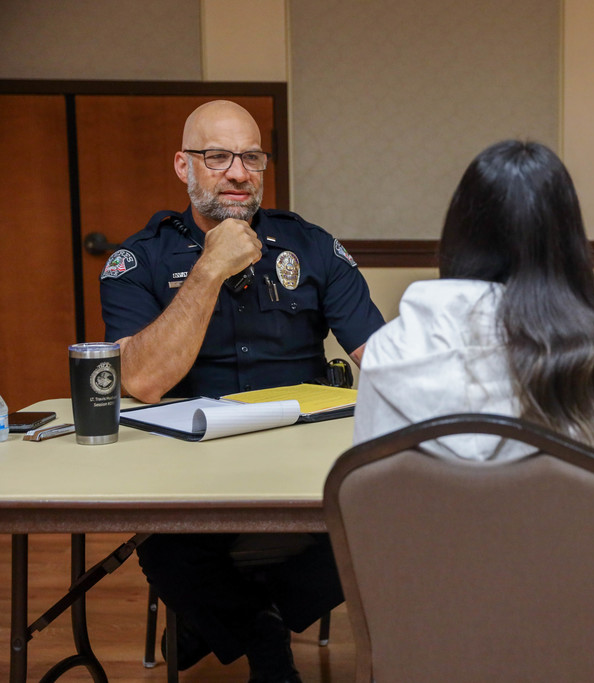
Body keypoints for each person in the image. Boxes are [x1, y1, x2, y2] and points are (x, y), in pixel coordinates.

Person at [353, 139, 594, 683]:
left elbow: (377, 532)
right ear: (568, 241)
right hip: (561, 649)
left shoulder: (388, 353)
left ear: (459, 231)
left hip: (427, 645)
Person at [100, 100, 385, 683]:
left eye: (251, 157)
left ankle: (223, 622)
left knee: (376, 527)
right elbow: (141, 381)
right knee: (168, 552)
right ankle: (263, 637)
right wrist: (208, 270)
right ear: (184, 166)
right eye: (217, 157)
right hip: (185, 472)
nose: (238, 172)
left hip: (300, 466)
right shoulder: (139, 259)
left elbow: (382, 360)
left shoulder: (309, 246)